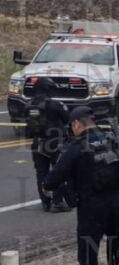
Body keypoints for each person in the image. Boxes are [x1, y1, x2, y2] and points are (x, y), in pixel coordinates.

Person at [43, 106, 119, 265]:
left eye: (71, 126)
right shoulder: (112, 140)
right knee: (116, 245)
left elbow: (54, 178)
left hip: (93, 208)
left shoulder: (75, 148)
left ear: (76, 124)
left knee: (88, 252)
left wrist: (46, 187)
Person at [25, 77, 71, 212]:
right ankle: (57, 202)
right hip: (54, 143)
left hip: (37, 143)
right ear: (48, 89)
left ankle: (45, 202)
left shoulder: (29, 105)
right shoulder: (55, 105)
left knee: (41, 173)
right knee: (58, 172)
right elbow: (67, 118)